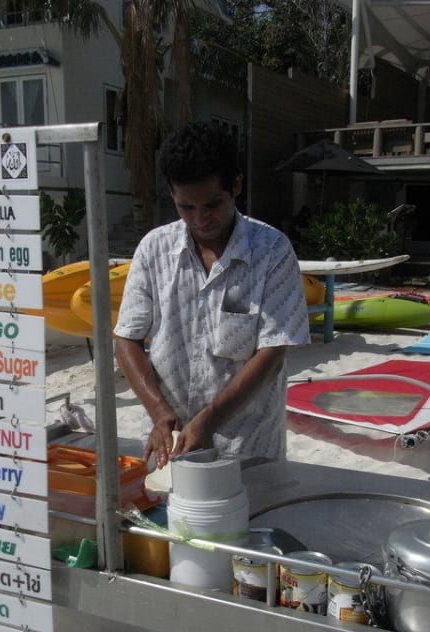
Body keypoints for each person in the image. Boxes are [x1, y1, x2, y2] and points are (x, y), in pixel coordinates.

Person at [114, 122, 310, 468]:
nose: (201, 219)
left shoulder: (272, 251)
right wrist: (160, 412)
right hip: (170, 445)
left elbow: (272, 354)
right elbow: (127, 339)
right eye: (186, 207)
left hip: (248, 443)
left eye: (212, 204)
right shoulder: (153, 250)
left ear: (235, 185)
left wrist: (210, 420)